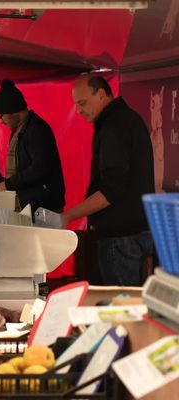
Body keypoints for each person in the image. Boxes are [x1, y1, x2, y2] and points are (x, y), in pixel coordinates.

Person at [61, 73, 155, 286]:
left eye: (83, 103)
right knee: (132, 304)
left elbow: (111, 190)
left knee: (122, 307)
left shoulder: (114, 126)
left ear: (101, 94)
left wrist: (68, 216)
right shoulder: (130, 119)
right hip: (138, 229)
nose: (79, 111)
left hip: (120, 236)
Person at [0, 79, 65, 213]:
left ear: (13, 110)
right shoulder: (21, 130)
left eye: (1, 116)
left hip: (43, 208)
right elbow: (22, 169)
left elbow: (40, 168)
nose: (1, 122)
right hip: (32, 205)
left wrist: (8, 184)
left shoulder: (36, 130)